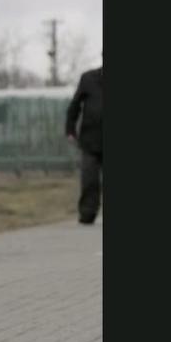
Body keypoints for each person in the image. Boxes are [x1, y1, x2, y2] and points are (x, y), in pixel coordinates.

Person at [65, 59, 104, 224]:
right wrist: (70, 129)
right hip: (91, 139)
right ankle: (87, 213)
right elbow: (75, 105)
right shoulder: (88, 78)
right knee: (89, 179)